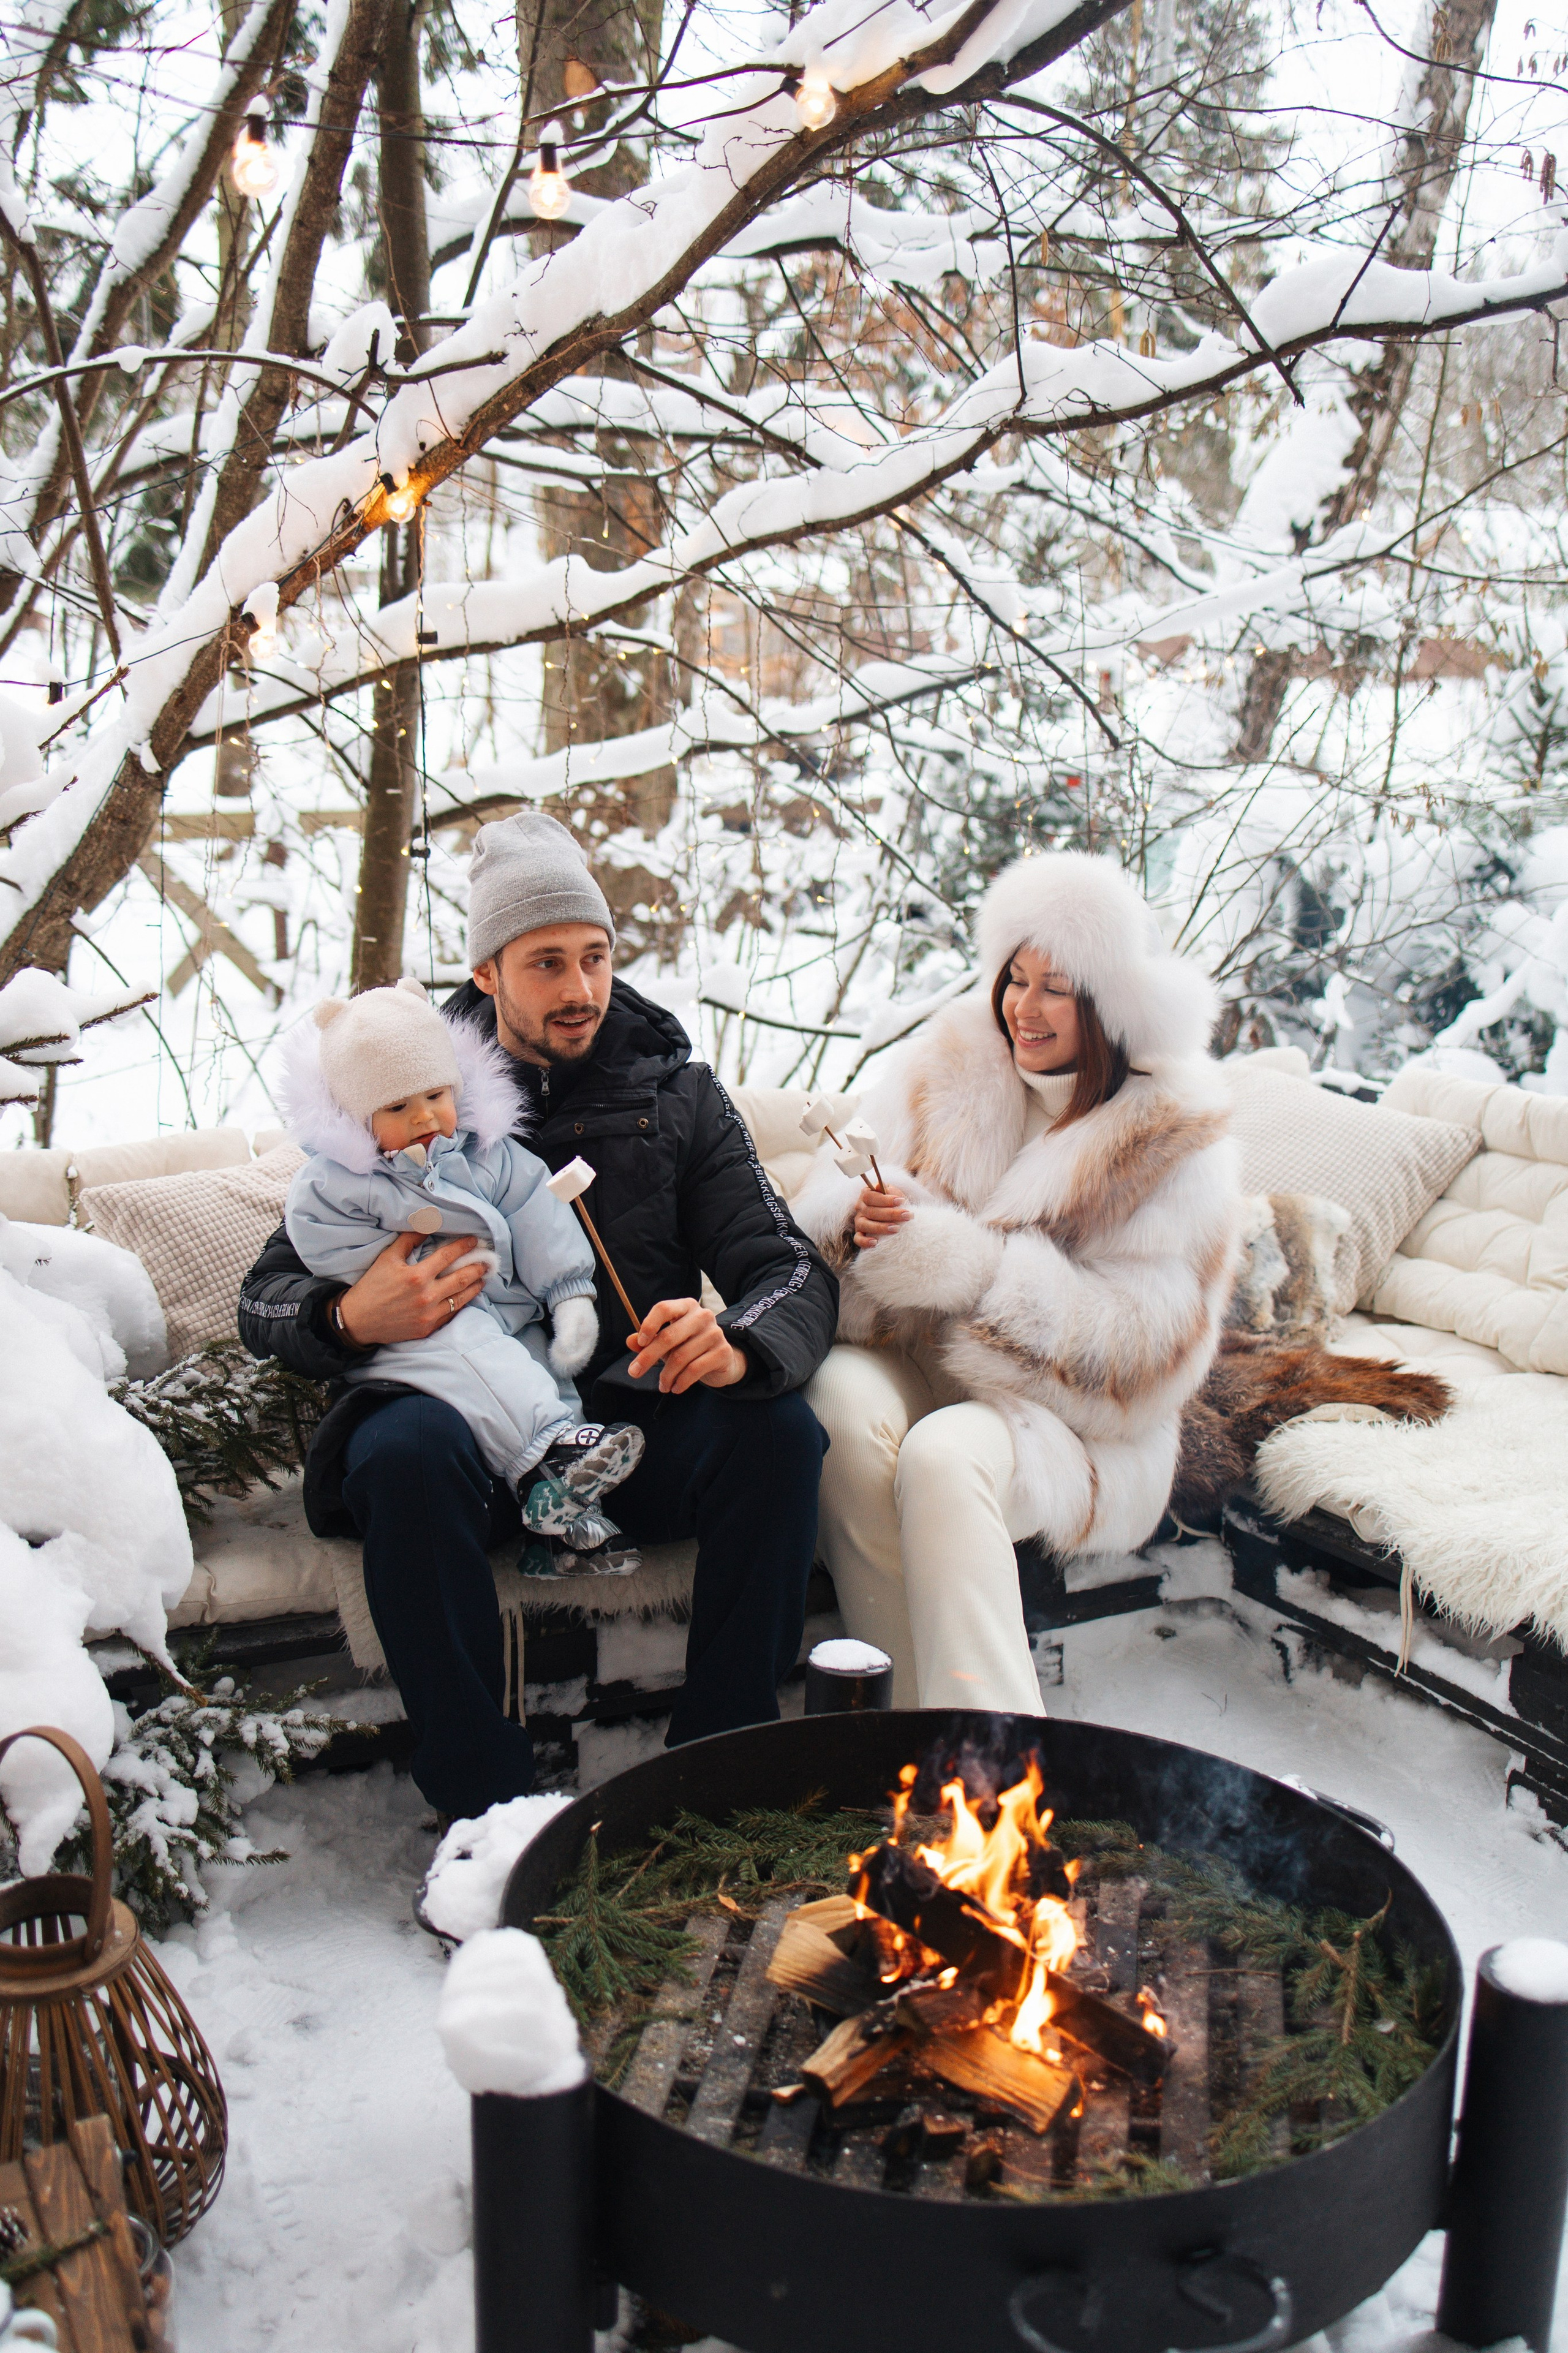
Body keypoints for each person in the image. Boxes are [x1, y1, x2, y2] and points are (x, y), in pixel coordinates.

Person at [239, 811, 837, 1821]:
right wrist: (350, 1315)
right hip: (463, 1443)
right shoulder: (403, 1096)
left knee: (779, 1433)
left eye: (596, 958)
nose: (580, 990)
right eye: (547, 963)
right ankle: (489, 1811)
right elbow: (266, 1299)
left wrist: (734, 1346)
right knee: (398, 1453)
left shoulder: (679, 1095)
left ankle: (719, 1769)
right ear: (487, 973)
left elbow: (789, 1269)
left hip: (625, 1431)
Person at [794, 850, 1240, 1715]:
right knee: (840, 1403)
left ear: (1109, 1001)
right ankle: (905, 1730)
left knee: (942, 1454)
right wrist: (861, 1223)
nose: (1023, 1009)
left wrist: (971, 1268)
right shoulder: (949, 1061)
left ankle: (996, 1758)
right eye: (1015, 978)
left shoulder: (1174, 1133)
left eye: (1057, 987)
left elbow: (1149, 1360)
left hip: (1082, 1425)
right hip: (924, 1362)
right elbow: (820, 1194)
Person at [278, 975, 646, 1572]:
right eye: (398, 1107)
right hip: (416, 1328)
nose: (425, 1117)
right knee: (497, 1376)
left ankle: (562, 1534)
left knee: (548, 1379)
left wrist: (568, 1290)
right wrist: (397, 1279)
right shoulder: (336, 1183)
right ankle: (548, 1458)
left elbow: (535, 1207)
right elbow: (320, 1237)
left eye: (435, 1095)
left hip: (504, 1311)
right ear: (357, 1116)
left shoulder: (485, 1153)